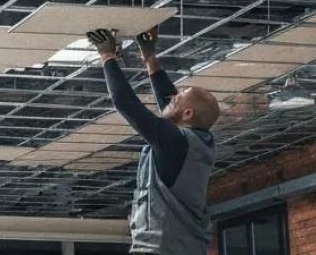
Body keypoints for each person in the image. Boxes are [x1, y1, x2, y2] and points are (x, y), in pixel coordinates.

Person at [85, 27, 220, 255]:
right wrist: (142, 57)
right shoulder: (188, 142)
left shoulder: (189, 144)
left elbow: (130, 104)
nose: (172, 98)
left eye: (178, 98)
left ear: (188, 114)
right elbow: (139, 104)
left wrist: (109, 56)